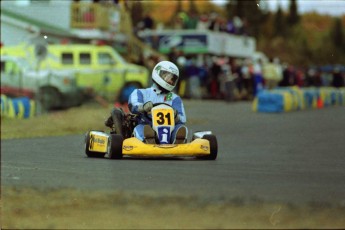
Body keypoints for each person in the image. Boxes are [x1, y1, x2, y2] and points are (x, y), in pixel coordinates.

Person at [105, 61, 188, 144]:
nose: (170, 81)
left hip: (169, 130)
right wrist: (143, 107)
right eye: (167, 76)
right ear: (157, 73)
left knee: (180, 127)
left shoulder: (175, 98)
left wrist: (176, 115)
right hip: (146, 124)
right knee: (141, 128)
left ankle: (177, 140)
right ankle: (148, 139)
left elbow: (182, 119)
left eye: (173, 79)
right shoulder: (140, 92)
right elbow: (133, 105)